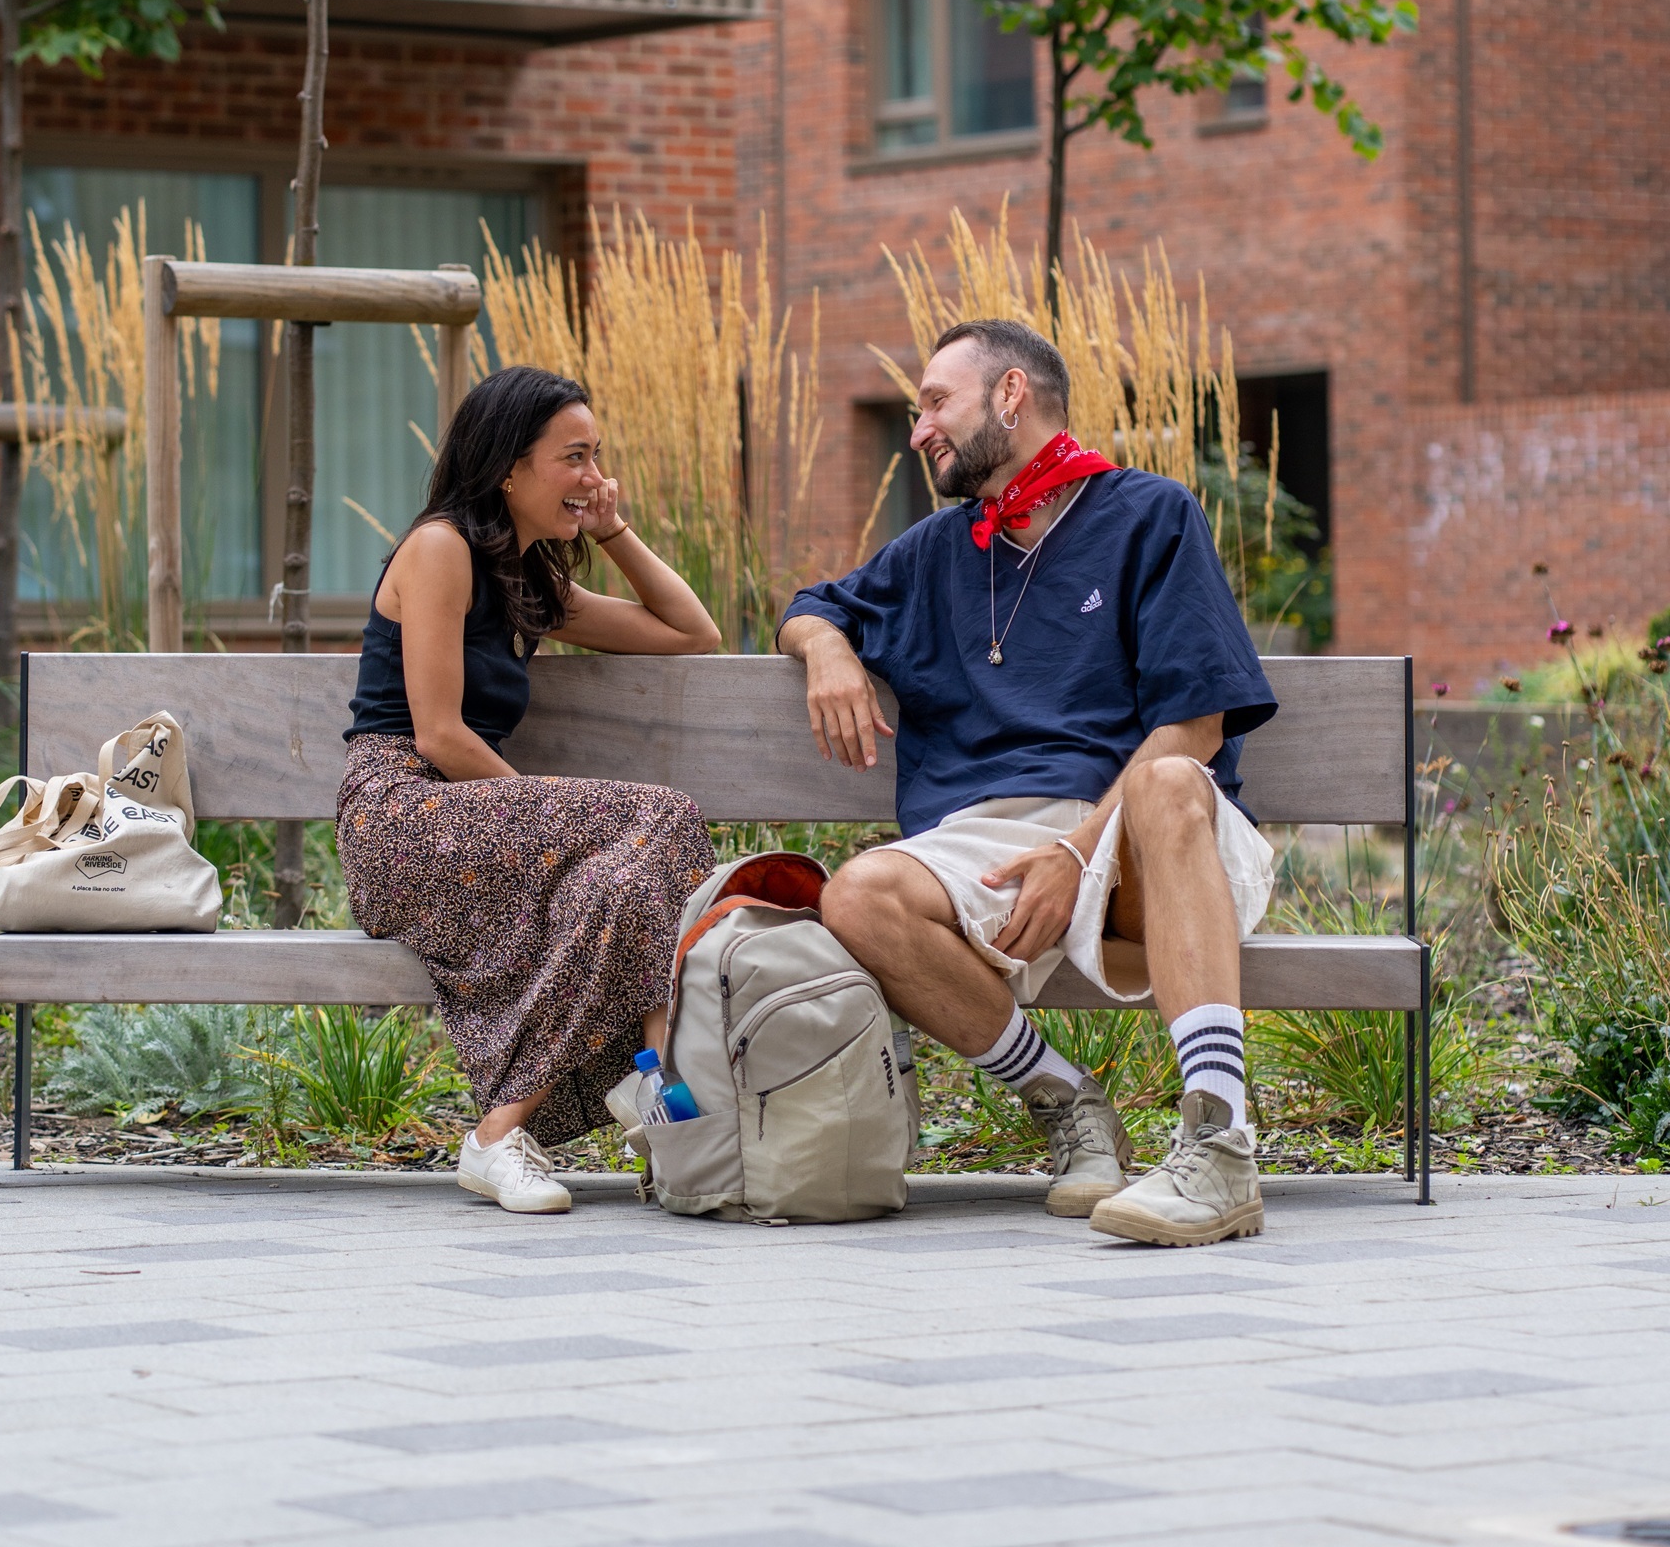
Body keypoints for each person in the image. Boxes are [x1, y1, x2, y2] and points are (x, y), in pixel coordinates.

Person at [778, 318, 1279, 1247]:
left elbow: (1199, 724)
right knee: (859, 892)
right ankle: (1065, 1101)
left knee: (1171, 778)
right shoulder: (936, 548)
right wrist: (827, 654)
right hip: (994, 840)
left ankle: (1219, 1144)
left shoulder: (1147, 514)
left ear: (1010, 396)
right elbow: (813, 606)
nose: (920, 426)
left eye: (936, 402)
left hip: (1141, 837)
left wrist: (1075, 850)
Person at [338, 365, 720, 1216]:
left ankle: (502, 1135)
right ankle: (662, 1091)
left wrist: (615, 531)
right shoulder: (438, 548)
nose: (594, 476)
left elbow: (692, 632)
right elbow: (438, 735)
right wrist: (549, 826)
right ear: (510, 466)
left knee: (617, 885)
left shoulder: (528, 580)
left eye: (598, 456)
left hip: (474, 825)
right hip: (402, 814)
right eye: (574, 458)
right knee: (665, 813)